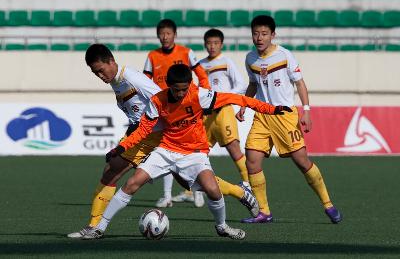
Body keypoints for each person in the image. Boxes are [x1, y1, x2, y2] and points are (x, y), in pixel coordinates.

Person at [82, 64, 292, 240]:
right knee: (131, 184)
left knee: (212, 189)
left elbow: (236, 99)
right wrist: (121, 147)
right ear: (169, 87)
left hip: (194, 153)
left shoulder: (199, 95)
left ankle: (222, 227)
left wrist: (270, 109)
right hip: (166, 149)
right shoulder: (158, 101)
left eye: (184, 89)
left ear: (189, 85)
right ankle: (100, 227)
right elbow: (144, 130)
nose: (181, 93)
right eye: (177, 90)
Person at [236, 15, 342, 224]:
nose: (259, 37)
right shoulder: (250, 59)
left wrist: (307, 111)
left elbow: (300, 83)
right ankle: (264, 212)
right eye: (256, 33)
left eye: (264, 33)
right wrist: (244, 105)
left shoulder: (284, 55)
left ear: (272, 35)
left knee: (302, 161)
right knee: (252, 161)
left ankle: (328, 204)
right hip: (262, 116)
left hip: (284, 116)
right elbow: (253, 84)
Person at [67, 43, 163, 238]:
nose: (100, 76)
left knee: (196, 181)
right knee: (110, 171)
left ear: (111, 61)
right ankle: (94, 226)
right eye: (96, 74)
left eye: (101, 70)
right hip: (139, 135)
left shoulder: (132, 78)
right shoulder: (116, 81)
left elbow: (162, 100)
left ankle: (240, 193)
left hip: (155, 135)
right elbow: (136, 112)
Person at [172, 28, 250, 205]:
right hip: (205, 114)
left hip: (223, 111)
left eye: (216, 43)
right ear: (205, 44)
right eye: (209, 43)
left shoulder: (227, 62)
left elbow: (241, 85)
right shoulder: (199, 65)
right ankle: (191, 191)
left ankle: (248, 184)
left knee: (233, 149)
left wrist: (222, 97)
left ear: (221, 44)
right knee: (195, 151)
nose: (212, 46)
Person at [143, 18, 210, 207]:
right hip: (164, 110)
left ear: (175, 35)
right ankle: (166, 196)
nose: (165, 37)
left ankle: (196, 190)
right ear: (158, 35)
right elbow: (145, 82)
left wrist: (201, 101)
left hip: (188, 109)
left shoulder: (187, 53)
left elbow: (202, 76)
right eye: (161, 33)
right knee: (166, 151)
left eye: (168, 33)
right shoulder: (152, 56)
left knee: (194, 149)